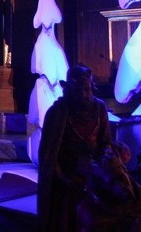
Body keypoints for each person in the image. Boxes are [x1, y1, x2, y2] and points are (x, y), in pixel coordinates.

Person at [37, 64, 112, 232]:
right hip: (66, 177)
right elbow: (49, 156)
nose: (85, 95)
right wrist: (67, 179)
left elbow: (106, 142)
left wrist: (103, 164)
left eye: (87, 89)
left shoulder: (99, 109)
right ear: (70, 90)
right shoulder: (58, 112)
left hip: (94, 175)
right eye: (79, 90)